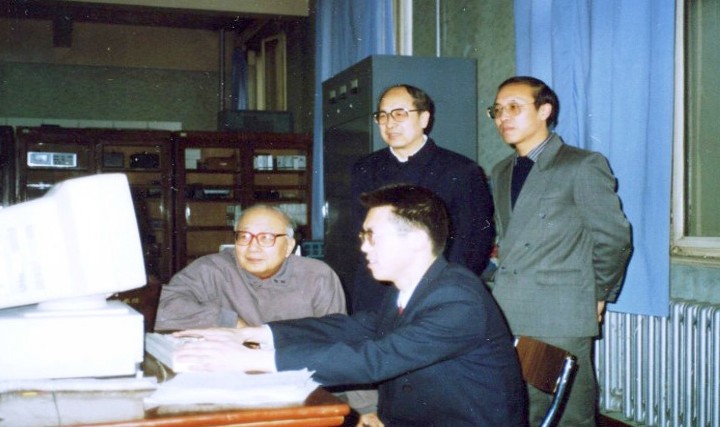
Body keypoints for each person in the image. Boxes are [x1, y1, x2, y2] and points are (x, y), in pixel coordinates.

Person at [172, 184, 528, 427]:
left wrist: (254, 360)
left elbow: (374, 359)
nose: (363, 246)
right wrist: (258, 334)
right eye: (363, 235)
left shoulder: (457, 299)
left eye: (372, 236)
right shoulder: (416, 288)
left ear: (417, 240)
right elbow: (354, 326)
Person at [487, 76, 632, 427]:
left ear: (545, 111)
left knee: (567, 416)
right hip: (510, 310)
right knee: (521, 409)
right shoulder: (502, 170)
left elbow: (614, 238)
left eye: (514, 107)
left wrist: (599, 293)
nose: (503, 117)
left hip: (559, 315)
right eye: (497, 110)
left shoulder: (580, 164)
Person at [349, 84, 495, 314]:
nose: (389, 123)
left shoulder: (460, 170)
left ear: (424, 119)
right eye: (382, 116)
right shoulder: (365, 168)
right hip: (376, 292)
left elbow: (475, 240)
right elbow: (358, 232)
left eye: (399, 114)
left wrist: (446, 286)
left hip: (436, 292)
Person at [154, 204, 346, 331]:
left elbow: (336, 334)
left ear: (288, 246)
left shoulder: (317, 276)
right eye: (244, 237)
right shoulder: (212, 270)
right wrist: (226, 321)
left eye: (266, 238)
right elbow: (158, 308)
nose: (253, 247)